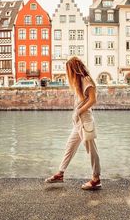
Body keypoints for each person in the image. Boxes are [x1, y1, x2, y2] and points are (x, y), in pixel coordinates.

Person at [45, 56, 101, 190]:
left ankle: (96, 179)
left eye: (68, 70)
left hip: (85, 120)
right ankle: (60, 173)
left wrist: (79, 111)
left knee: (91, 150)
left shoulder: (86, 79)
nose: (67, 73)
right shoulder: (78, 82)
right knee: (70, 146)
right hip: (78, 122)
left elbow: (93, 99)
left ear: (74, 69)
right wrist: (76, 114)